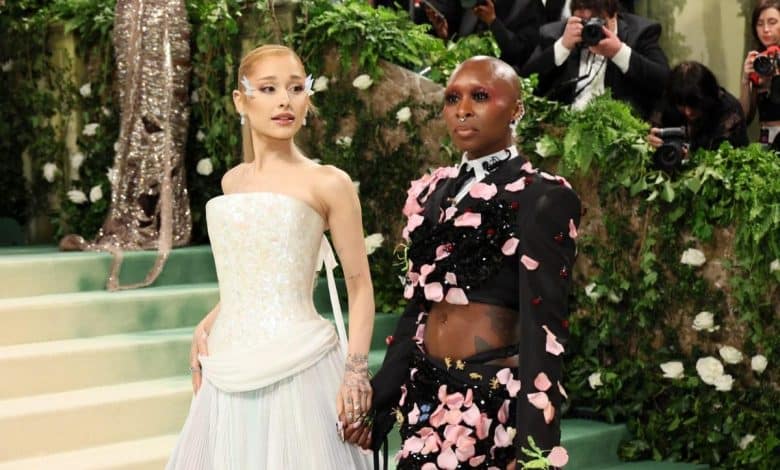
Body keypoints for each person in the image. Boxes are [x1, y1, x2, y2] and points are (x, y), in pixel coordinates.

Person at [349, 56, 581, 469]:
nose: (463, 109)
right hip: (427, 395)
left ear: (517, 110)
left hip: (491, 404)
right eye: (452, 98)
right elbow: (418, 308)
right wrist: (382, 397)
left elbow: (542, 326)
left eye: (480, 96)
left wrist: (535, 451)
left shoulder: (542, 195)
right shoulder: (431, 191)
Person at [166, 44, 374, 469]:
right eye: (269, 88)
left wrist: (356, 370)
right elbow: (255, 274)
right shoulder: (232, 182)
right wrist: (208, 322)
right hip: (226, 363)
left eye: (296, 88)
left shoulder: (328, 183)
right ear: (241, 100)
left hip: (301, 366)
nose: (285, 100)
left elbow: (359, 285)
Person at [521, 0, 669, 119]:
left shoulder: (641, 32)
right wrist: (562, 47)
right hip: (561, 128)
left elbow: (663, 80)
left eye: (598, 22)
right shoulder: (553, 33)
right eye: (583, 22)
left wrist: (619, 52)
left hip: (617, 131)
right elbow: (524, 82)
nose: (591, 28)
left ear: (613, 15)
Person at [648, 61, 748, 165]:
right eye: (682, 105)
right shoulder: (671, 100)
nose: (688, 112)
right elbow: (653, 130)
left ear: (707, 98)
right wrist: (651, 142)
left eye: (694, 105)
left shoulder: (729, 112)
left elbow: (727, 162)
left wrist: (693, 160)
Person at [740, 0, 780, 147]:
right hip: (766, 142)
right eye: (760, 24)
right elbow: (744, 117)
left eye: (772, 22)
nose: (766, 29)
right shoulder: (758, 61)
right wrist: (746, 80)